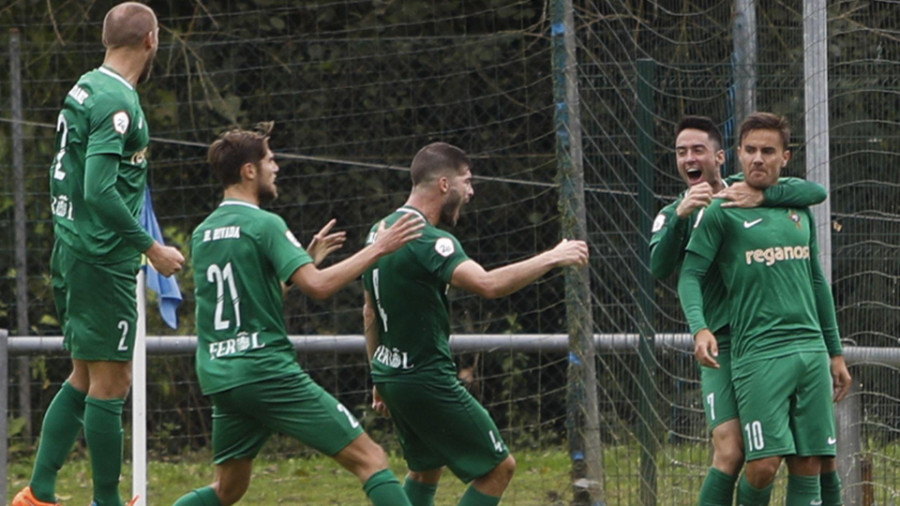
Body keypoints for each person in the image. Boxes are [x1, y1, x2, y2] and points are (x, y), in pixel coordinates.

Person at [173, 123, 423, 506]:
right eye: (270, 159)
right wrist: (380, 248)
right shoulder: (265, 224)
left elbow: (253, 297)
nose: (277, 167)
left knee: (228, 489)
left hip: (221, 374)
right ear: (249, 170)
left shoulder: (204, 233)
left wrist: (303, 261)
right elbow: (319, 287)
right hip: (265, 370)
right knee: (371, 459)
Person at [13, 4, 185, 506]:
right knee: (112, 383)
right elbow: (100, 190)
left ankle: (39, 493)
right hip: (102, 256)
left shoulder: (87, 84)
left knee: (84, 376)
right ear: (151, 40)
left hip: (74, 249)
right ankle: (107, 502)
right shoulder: (116, 101)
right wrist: (151, 248)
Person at [362, 142, 590, 506]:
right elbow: (488, 284)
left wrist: (378, 374)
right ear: (443, 185)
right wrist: (553, 256)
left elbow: (369, 312)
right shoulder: (429, 239)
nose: (471, 191)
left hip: (392, 375)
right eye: (466, 181)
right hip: (426, 378)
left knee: (426, 468)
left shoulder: (380, 230)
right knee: (500, 469)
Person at [649, 115, 835, 505]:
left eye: (697, 150)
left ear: (720, 157)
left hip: (773, 340)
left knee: (814, 456)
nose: (689, 158)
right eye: (681, 152)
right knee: (733, 452)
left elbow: (813, 190)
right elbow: (662, 268)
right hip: (727, 346)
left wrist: (764, 197)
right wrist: (681, 219)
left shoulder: (746, 189)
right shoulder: (675, 213)